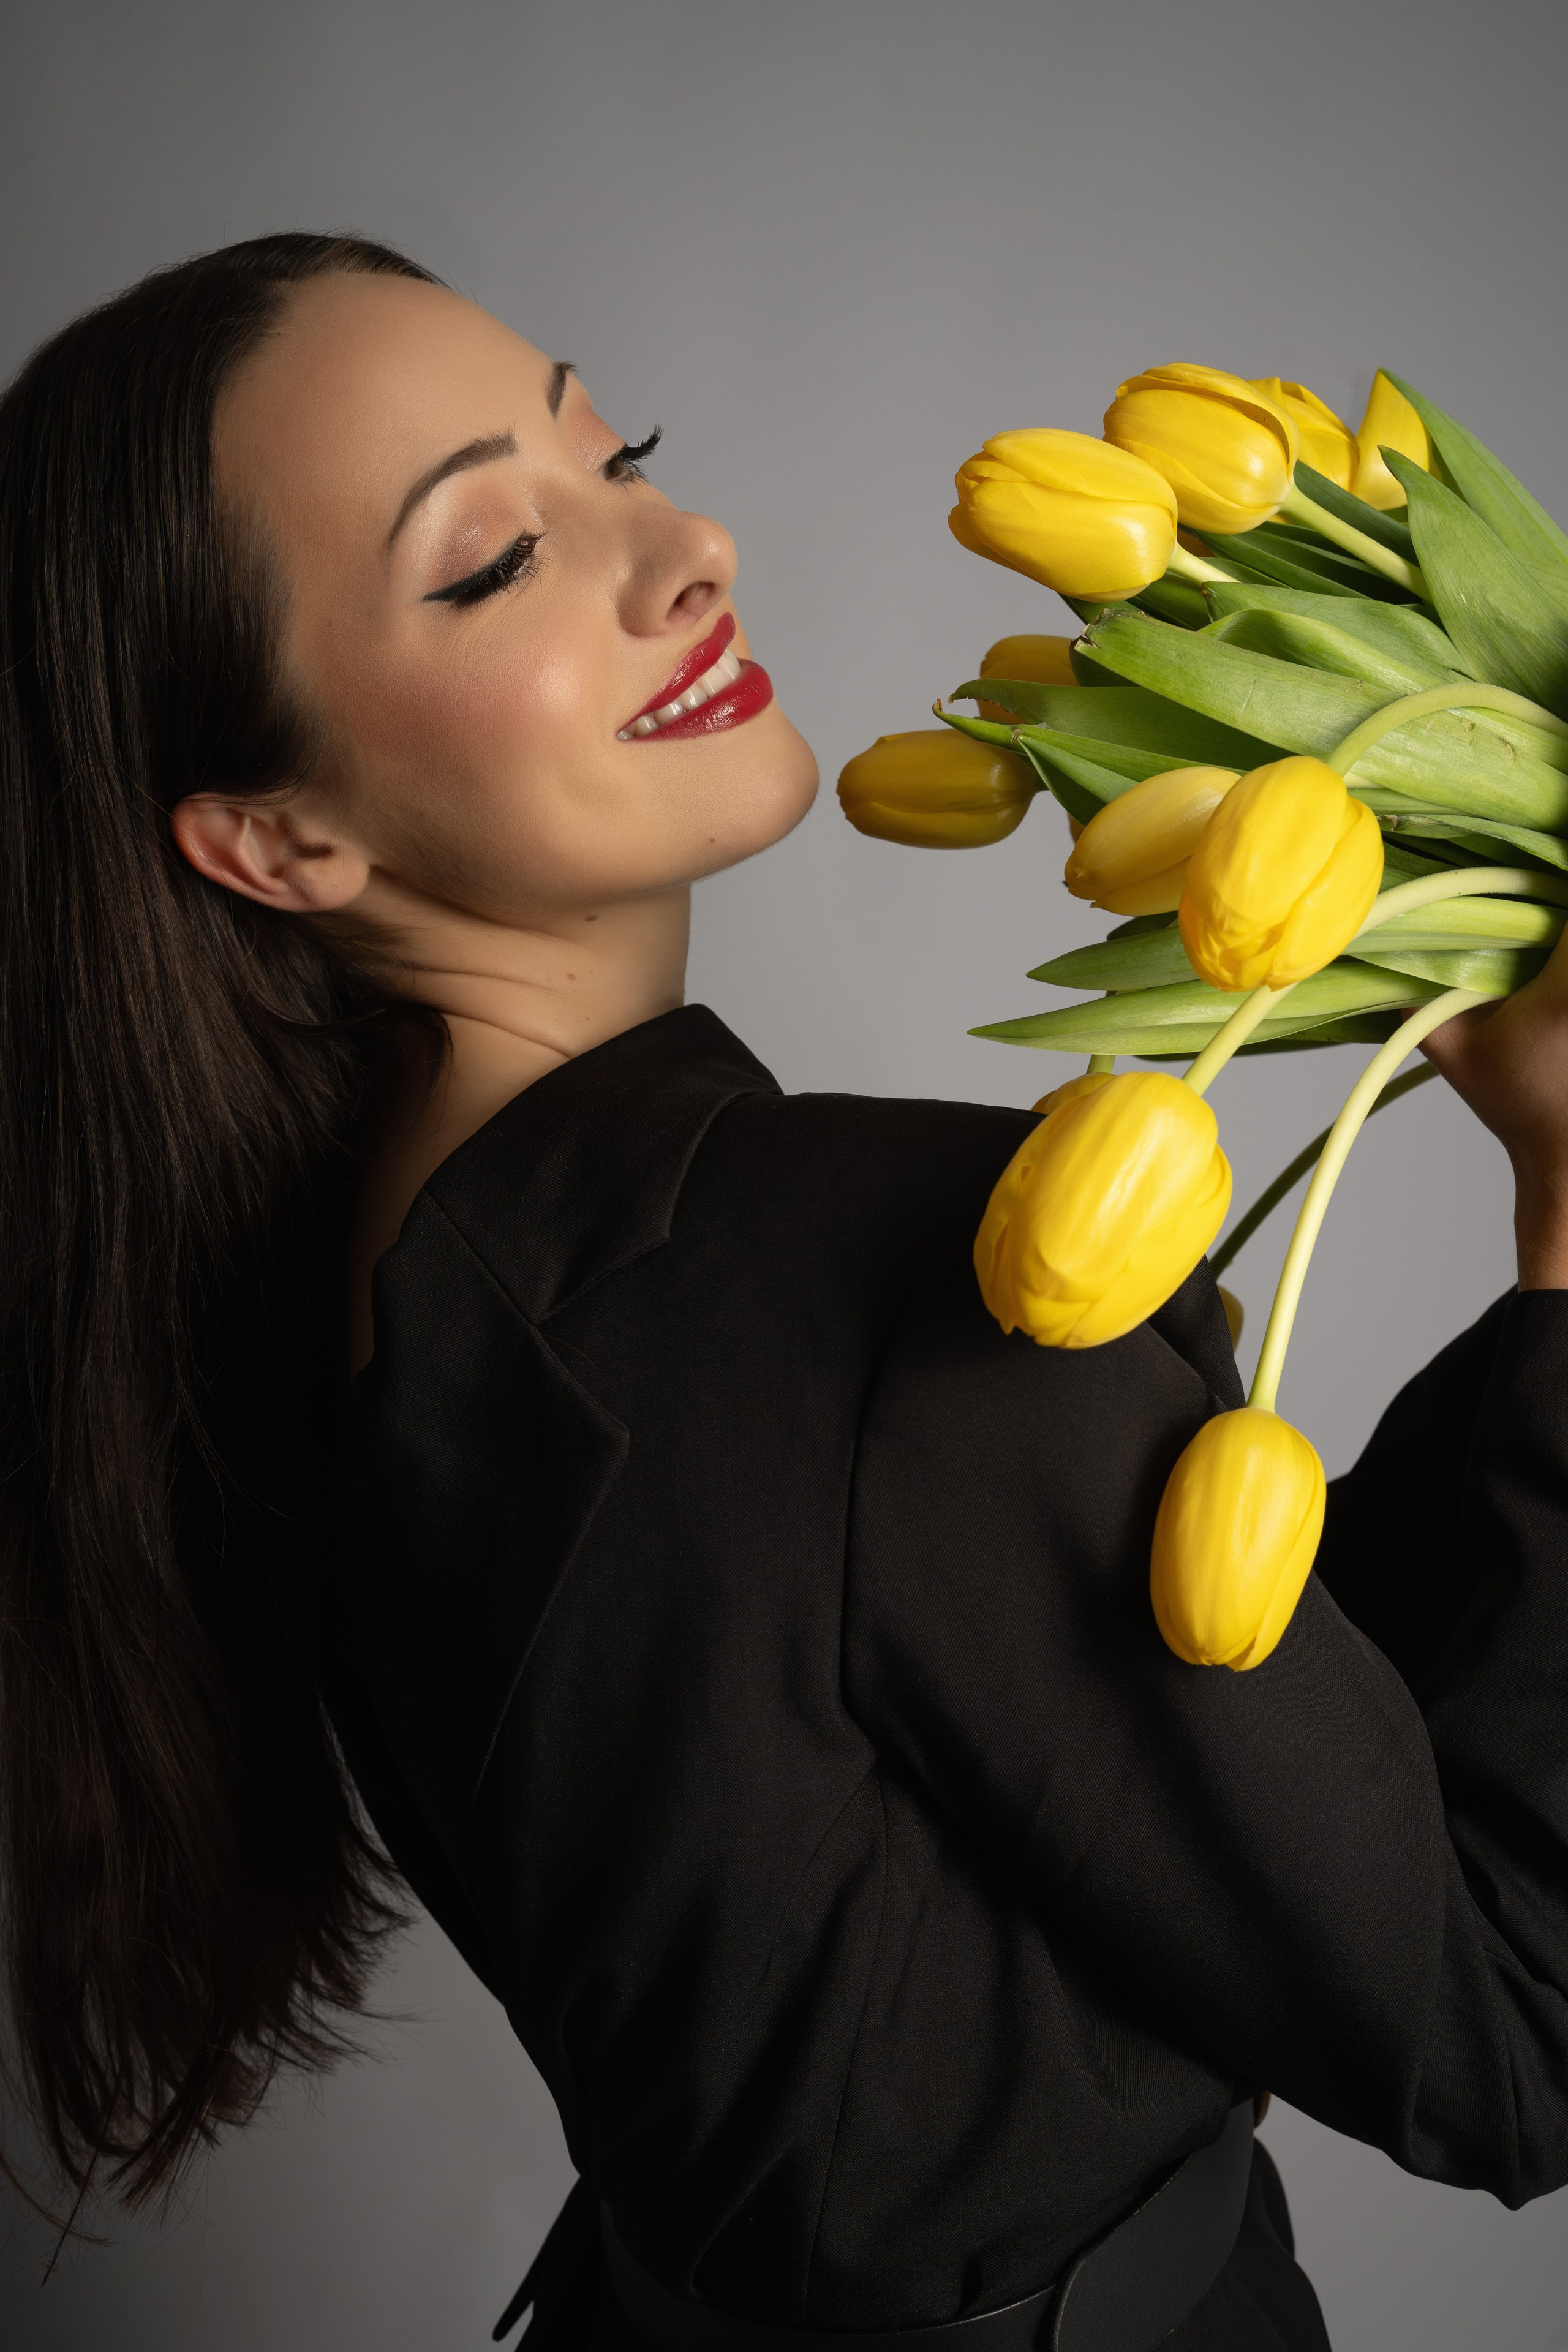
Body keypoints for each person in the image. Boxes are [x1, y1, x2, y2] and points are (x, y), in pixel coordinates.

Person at [3, 233, 1568, 2352]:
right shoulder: (890, 1280)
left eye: (615, 451)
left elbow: (1186, 1761)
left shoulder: (345, 1302)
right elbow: (1513, 2029)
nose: (681, 546)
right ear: (276, 844)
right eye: (490, 562)